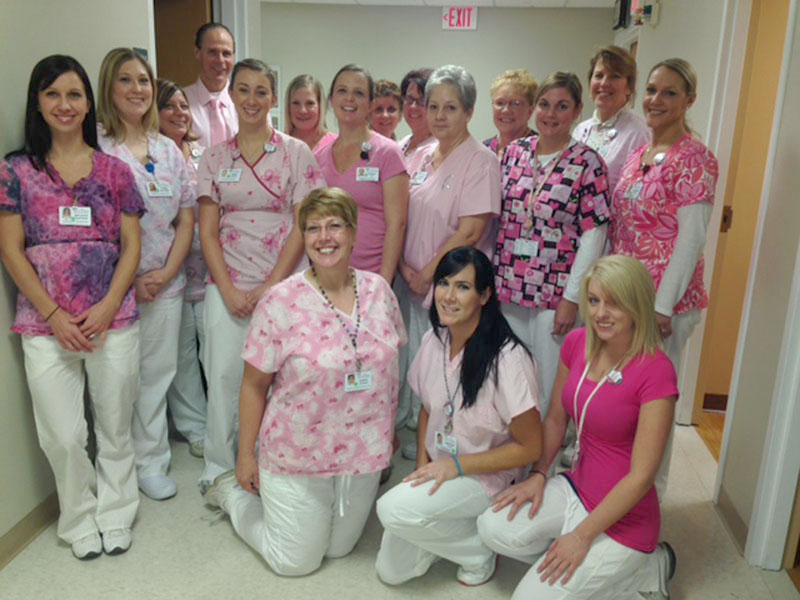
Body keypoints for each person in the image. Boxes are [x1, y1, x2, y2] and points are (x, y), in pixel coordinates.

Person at [203, 187, 406, 576]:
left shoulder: (379, 291)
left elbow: (389, 371)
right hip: (297, 450)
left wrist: (389, 430)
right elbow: (254, 386)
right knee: (295, 562)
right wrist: (246, 456)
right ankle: (230, 496)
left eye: (335, 226)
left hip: (362, 450)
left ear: (353, 231)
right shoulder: (280, 301)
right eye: (313, 228)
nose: (324, 237)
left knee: (339, 550)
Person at [0, 55, 143, 558]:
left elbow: (132, 246)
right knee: (62, 435)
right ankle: (78, 517)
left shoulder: (115, 171)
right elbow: (11, 250)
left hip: (112, 318)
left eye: (74, 95)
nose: (64, 104)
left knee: (115, 426)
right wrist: (54, 315)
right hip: (45, 325)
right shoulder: (16, 171)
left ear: (88, 104)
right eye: (53, 94)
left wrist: (107, 305)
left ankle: (116, 512)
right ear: (37, 103)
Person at [477, 255, 678, 599]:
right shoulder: (577, 343)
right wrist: (538, 474)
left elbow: (642, 477)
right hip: (576, 488)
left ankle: (647, 568)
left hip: (625, 519)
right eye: (594, 300)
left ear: (638, 305)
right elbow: (556, 419)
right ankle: (579, 565)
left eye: (615, 303)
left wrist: (582, 536)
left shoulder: (656, 370)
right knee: (492, 527)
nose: (601, 313)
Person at [375, 247, 542, 586]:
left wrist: (457, 466)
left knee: (391, 509)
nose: (448, 296)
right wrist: (421, 466)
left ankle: (477, 549)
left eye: (463, 287)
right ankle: (466, 536)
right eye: (444, 283)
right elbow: (427, 409)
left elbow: (530, 447)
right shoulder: (434, 339)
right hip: (442, 466)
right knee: (391, 572)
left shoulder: (508, 360)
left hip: (486, 477)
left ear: (484, 295)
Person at [197, 58, 325, 491]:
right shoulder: (215, 158)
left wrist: (271, 286)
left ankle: (273, 461)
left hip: (284, 284)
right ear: (231, 94)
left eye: (261, 91)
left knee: (282, 377)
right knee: (223, 376)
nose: (252, 99)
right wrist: (229, 290)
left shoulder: (296, 153)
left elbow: (304, 224)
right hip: (227, 283)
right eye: (244, 90)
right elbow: (208, 232)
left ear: (273, 99)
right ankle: (218, 465)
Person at [610, 58, 718, 498]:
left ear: (690, 100)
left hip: (662, 307)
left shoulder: (695, 158)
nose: (656, 100)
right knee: (623, 404)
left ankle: (647, 497)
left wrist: (661, 307)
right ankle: (615, 489)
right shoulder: (640, 154)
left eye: (670, 92)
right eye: (652, 90)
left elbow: (691, 240)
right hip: (625, 299)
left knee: (653, 409)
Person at [97, 48, 195, 501]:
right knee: (117, 382)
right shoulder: (97, 147)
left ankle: (151, 460)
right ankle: (117, 467)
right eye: (125, 80)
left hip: (165, 282)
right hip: (113, 288)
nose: (137, 89)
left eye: (143, 81)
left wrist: (168, 271)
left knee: (157, 375)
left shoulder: (167, 149)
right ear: (109, 87)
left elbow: (186, 217)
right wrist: (128, 281)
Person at [396, 64, 501, 449]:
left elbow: (470, 231)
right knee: (420, 361)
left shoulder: (481, 160)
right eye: (433, 106)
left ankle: (444, 444)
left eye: (451, 108)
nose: (439, 116)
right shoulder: (422, 154)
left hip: (450, 284)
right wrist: (404, 267)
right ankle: (420, 428)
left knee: (448, 367)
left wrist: (428, 273)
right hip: (412, 280)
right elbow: (401, 214)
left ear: (469, 112)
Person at [493, 72, 610, 415]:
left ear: (577, 111)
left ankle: (546, 444)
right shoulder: (514, 153)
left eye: (562, 106)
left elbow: (594, 235)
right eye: (544, 104)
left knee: (548, 380)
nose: (550, 114)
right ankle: (515, 442)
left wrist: (572, 298)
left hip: (554, 294)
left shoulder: (588, 163)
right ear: (534, 108)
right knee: (511, 374)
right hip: (509, 287)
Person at [315, 64, 408, 282]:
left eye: (358, 93)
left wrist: (383, 282)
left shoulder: (387, 153)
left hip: (372, 278)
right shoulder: (318, 157)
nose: (349, 98)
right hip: (327, 277)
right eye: (342, 91)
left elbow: (397, 224)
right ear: (331, 100)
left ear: (370, 104)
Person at [157, 78, 208, 458]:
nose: (178, 112)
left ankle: (229, 423)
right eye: (168, 106)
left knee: (217, 353)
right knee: (181, 355)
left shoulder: (206, 156)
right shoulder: (150, 157)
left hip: (210, 270)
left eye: (183, 105)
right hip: (169, 272)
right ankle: (195, 427)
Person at [573, 46, 651, 194]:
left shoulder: (639, 132)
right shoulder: (580, 130)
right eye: (599, 76)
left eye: (614, 76)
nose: (604, 83)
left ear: (629, 87)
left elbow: (638, 192)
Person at [183, 23, 238, 148]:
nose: (220, 60)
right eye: (213, 52)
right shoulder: (181, 103)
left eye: (226, 54)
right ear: (198, 53)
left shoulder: (248, 104)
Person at [484, 69, 537, 160]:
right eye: (500, 103)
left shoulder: (541, 150)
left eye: (516, 103)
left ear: (530, 111)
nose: (506, 110)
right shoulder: (483, 150)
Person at [284, 74, 336, 152]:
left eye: (310, 103)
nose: (302, 110)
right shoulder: (278, 145)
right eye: (296, 103)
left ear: (320, 106)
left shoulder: (335, 144)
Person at [397, 68, 435, 173]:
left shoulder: (439, 149)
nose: (413, 106)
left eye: (421, 100)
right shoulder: (402, 144)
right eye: (409, 98)